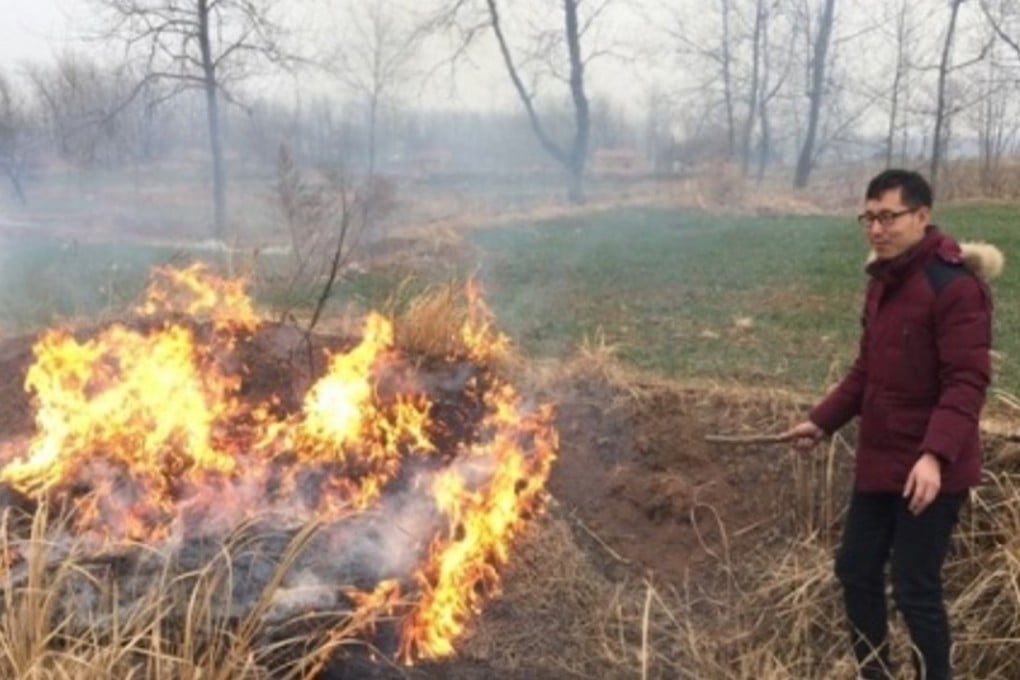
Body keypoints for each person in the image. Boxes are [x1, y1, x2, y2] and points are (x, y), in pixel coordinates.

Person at [783, 169, 1001, 680]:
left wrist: (935, 456)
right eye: (869, 218)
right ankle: (875, 673)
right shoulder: (884, 283)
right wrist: (822, 421)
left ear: (921, 217)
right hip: (882, 459)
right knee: (855, 570)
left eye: (888, 217)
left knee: (914, 588)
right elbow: (867, 372)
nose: (876, 229)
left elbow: (967, 381)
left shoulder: (954, 288)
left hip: (932, 467)